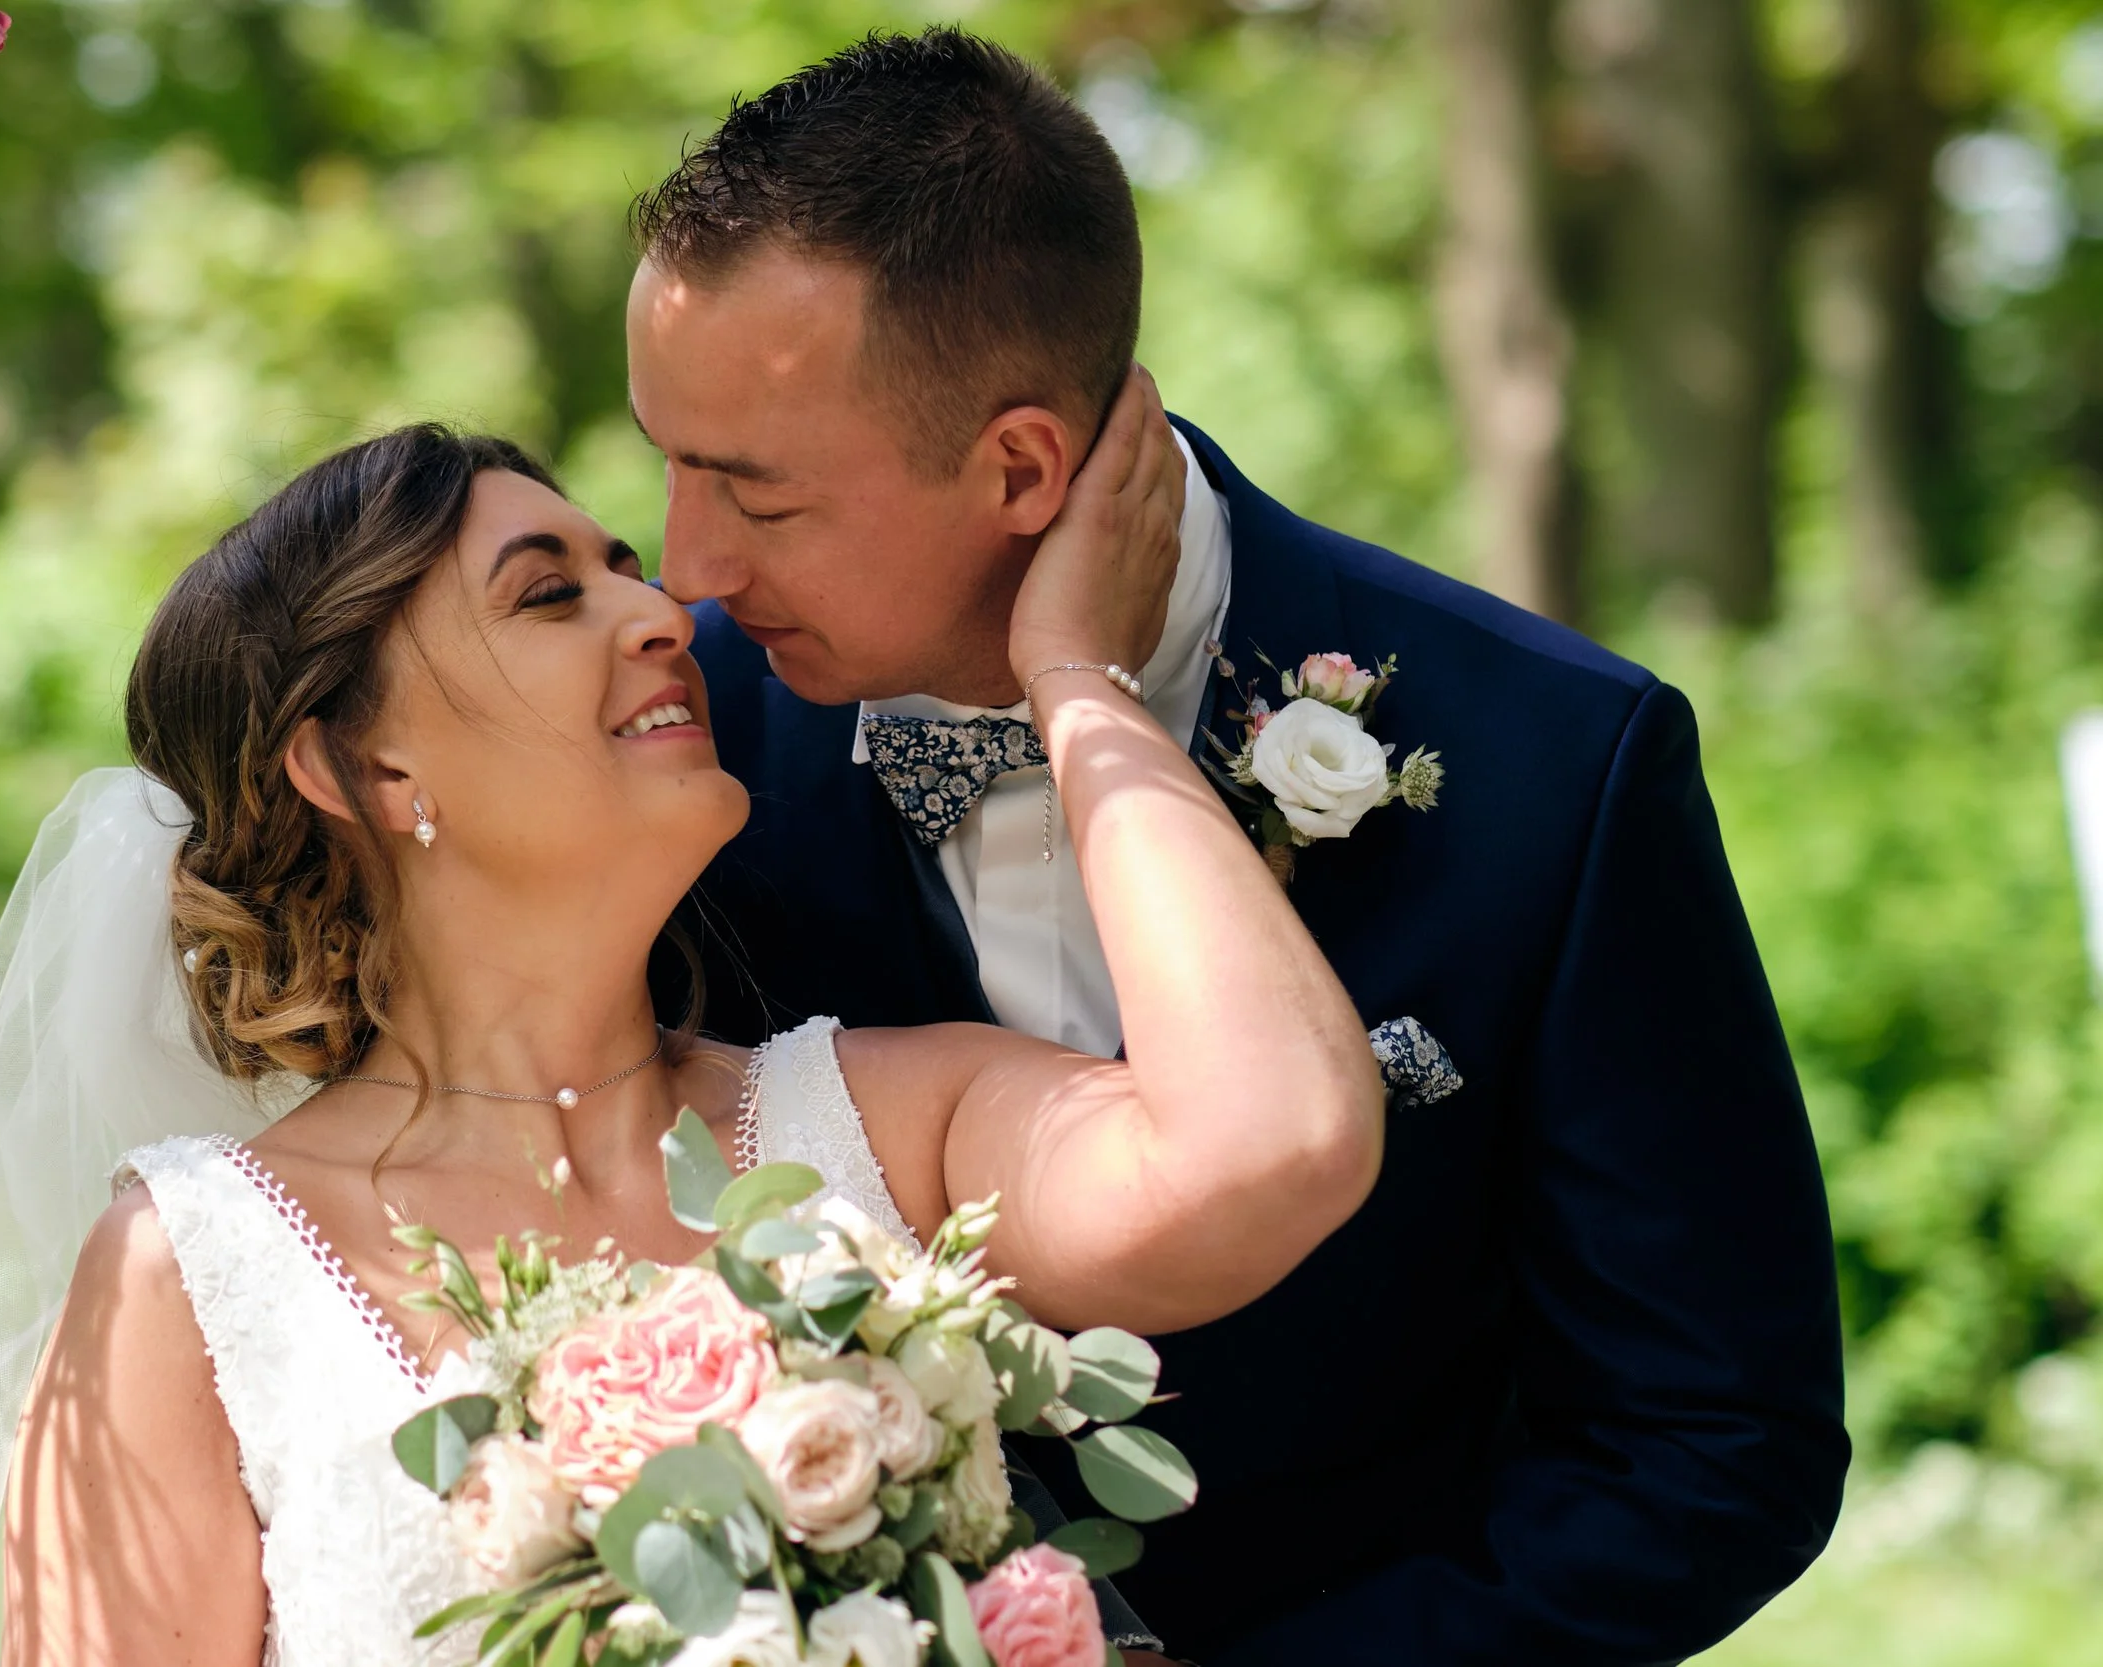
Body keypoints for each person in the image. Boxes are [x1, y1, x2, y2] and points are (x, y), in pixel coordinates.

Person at [626, 28, 1850, 1666]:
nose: (686, 567)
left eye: (755, 497)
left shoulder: (1553, 762)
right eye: (668, 462)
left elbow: (1714, 1442)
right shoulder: (670, 756)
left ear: (1020, 467)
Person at [0, 405, 1386, 1667]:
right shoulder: (190, 1276)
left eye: (628, 570)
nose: (666, 616)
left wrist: (1076, 680)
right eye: (550, 593)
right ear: (365, 768)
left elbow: (1277, 1138)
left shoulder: (896, 1129)